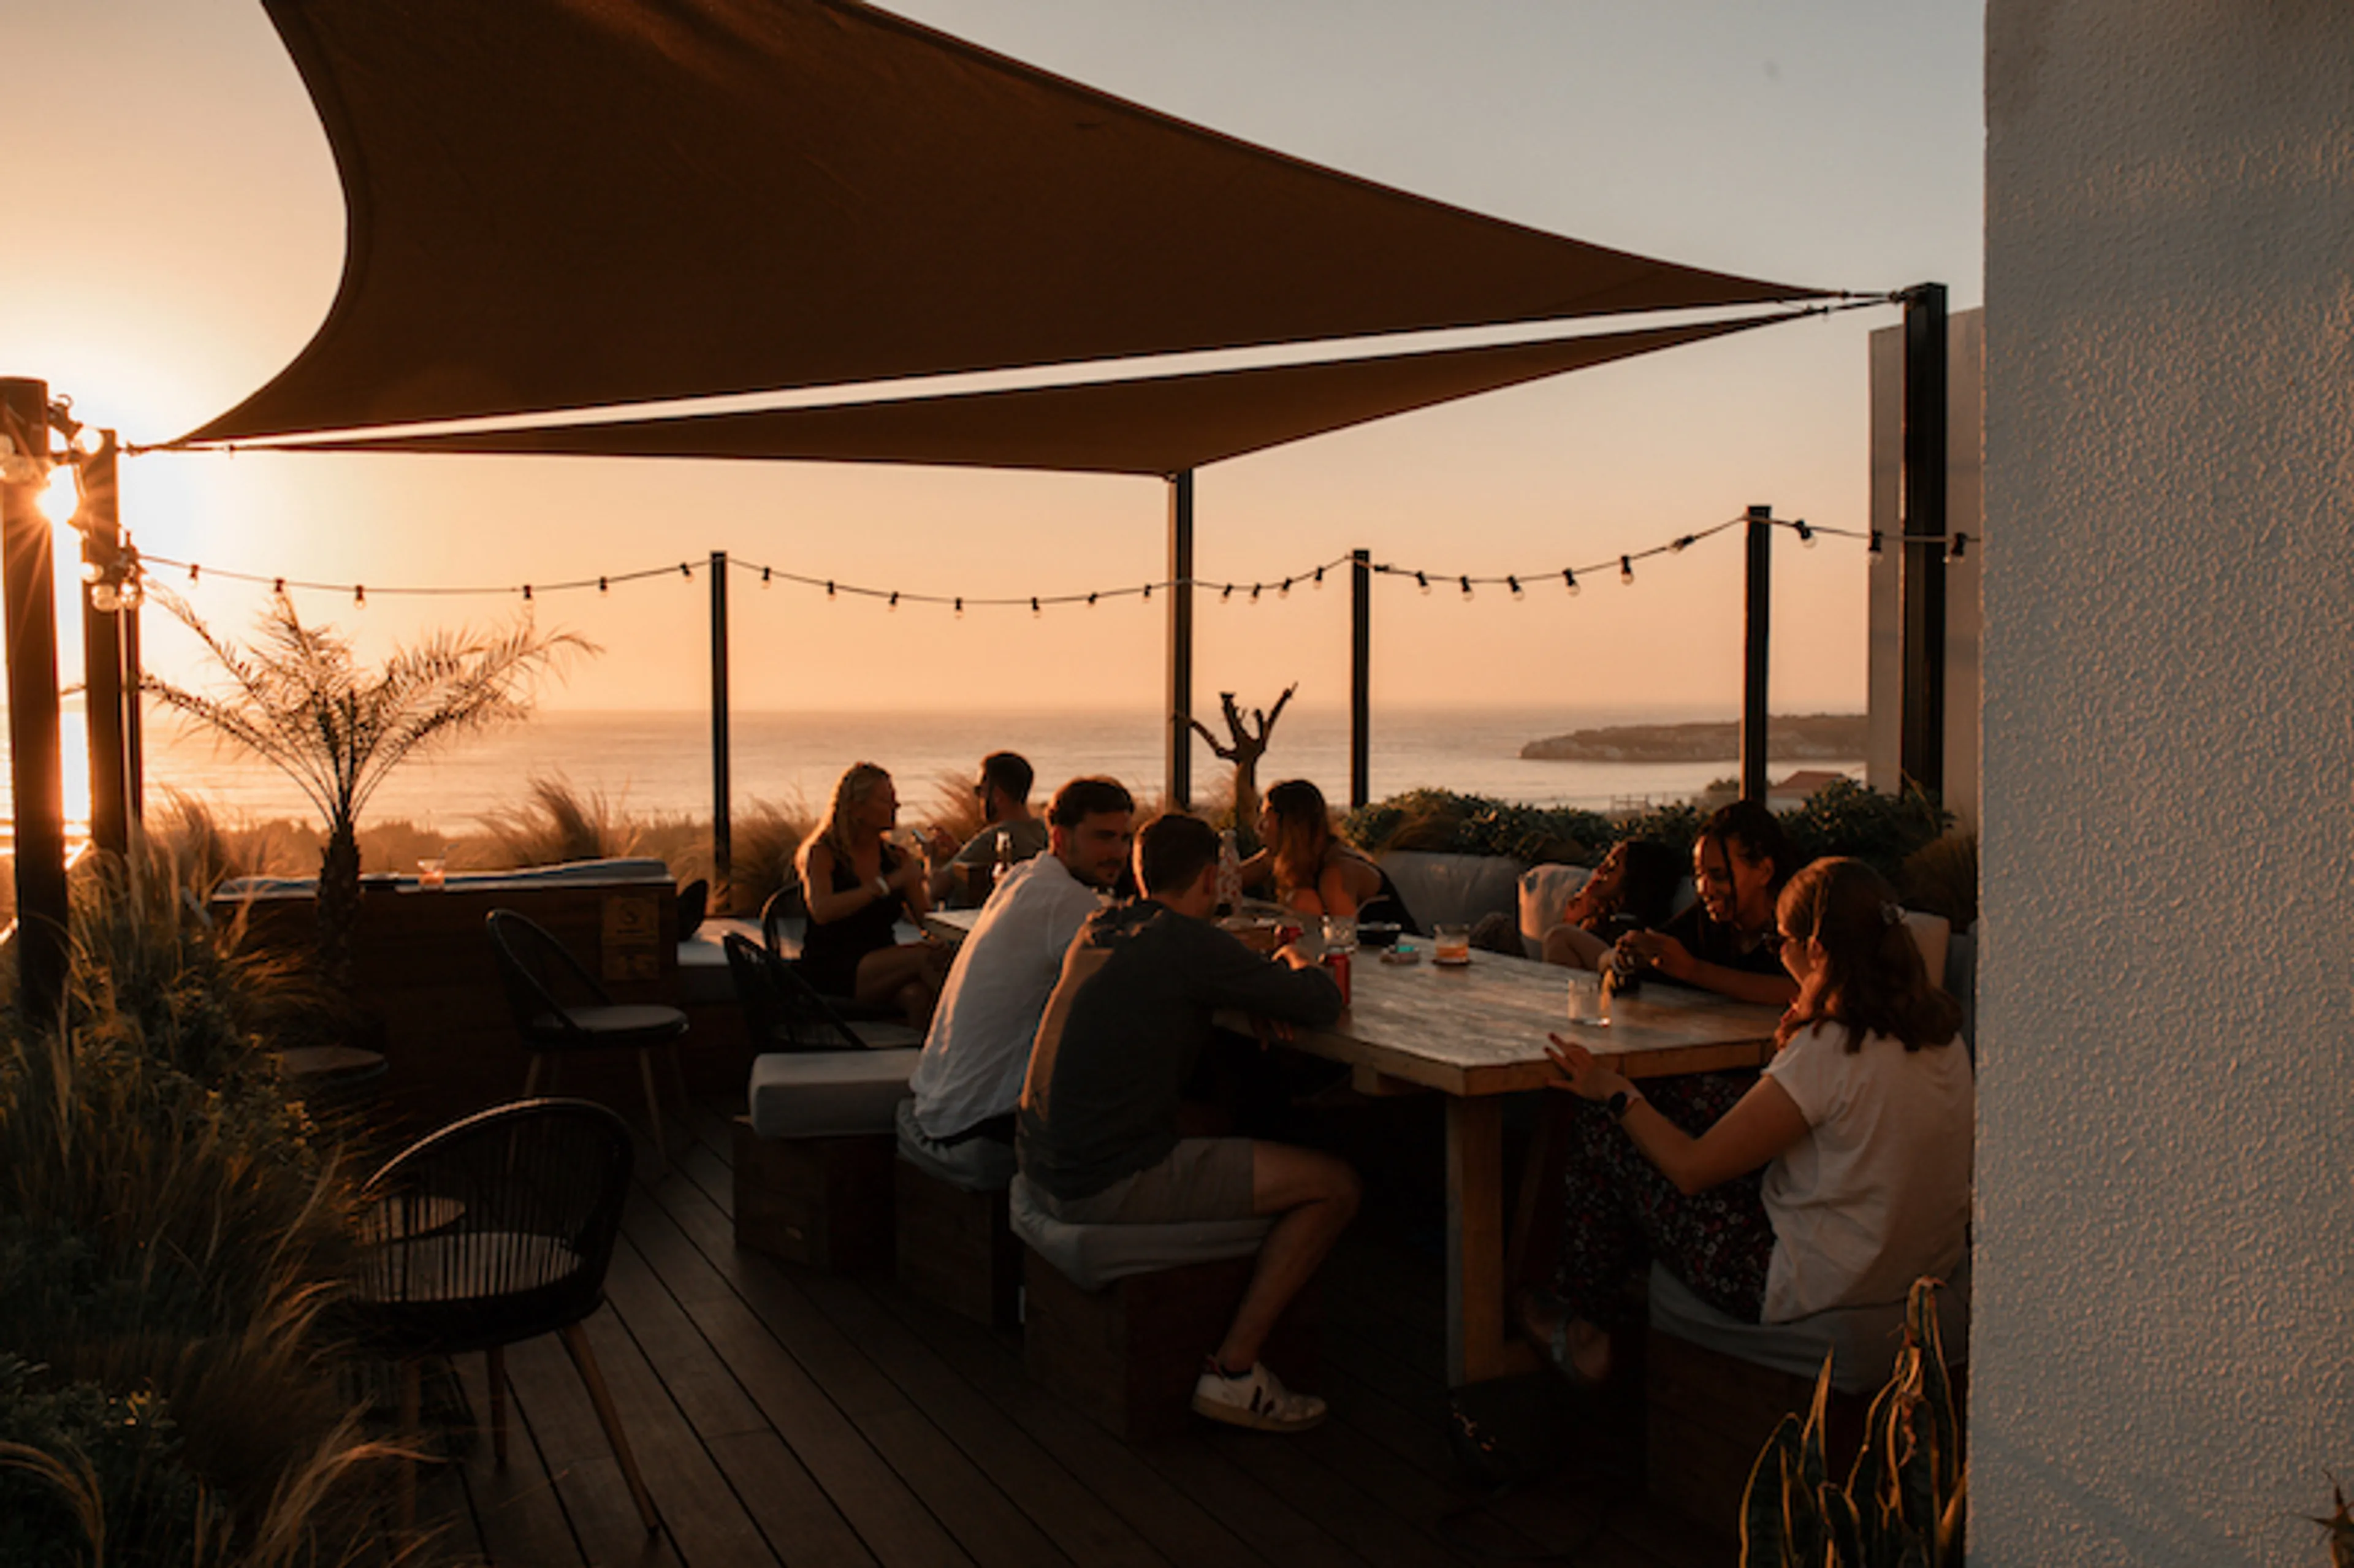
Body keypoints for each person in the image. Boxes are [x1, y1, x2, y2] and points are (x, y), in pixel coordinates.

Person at [1520, 857, 1972, 1383]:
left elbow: (1691, 1169)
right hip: (1907, 1260)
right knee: (1677, 1097)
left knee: (1608, 1123)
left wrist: (1613, 1091)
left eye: (1782, 943)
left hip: (1804, 1278)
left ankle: (1588, 1334)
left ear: (1818, 951)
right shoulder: (1941, 1037)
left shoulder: (1831, 1047)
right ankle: (1621, 1305)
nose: (1779, 956)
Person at [1018, 813, 1358, 1433]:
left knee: (1215, 1115)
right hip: (1106, 1180)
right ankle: (1235, 1370)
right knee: (1336, 1183)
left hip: (1044, 1160)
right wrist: (1294, 953)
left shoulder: (1105, 924)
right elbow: (1320, 1002)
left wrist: (1245, 991)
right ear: (1211, 877)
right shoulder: (1190, 945)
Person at [899, 777, 1137, 1188]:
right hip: (981, 1124)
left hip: (938, 1105)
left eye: (1124, 838)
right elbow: (1132, 993)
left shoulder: (1024, 878)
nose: (1119, 852)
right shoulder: (1068, 902)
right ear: (1060, 837)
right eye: (1104, 837)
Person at [796, 762, 949, 1024]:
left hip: (883, 965)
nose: (896, 807)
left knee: (918, 995)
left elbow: (927, 922)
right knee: (925, 957)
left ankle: (924, 1060)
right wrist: (887, 885)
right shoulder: (823, 852)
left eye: (895, 800)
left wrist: (933, 865)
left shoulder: (896, 858)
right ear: (857, 808)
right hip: (834, 968)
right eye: (885, 800)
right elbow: (821, 910)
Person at [1608, 800, 1800, 1007]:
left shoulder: (1796, 926)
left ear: (1765, 871)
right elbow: (1653, 950)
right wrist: (1632, 954)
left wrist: (1693, 971)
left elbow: (1802, 990)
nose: (1704, 889)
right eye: (1700, 876)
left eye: (1719, 876)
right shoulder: (1705, 920)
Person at [1244, 778, 1417, 930]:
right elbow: (1228, 881)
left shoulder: (1336, 873)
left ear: (1288, 826)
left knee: (1302, 900)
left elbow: (1344, 940)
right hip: (1357, 959)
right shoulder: (1287, 857)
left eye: (1266, 819)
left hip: (1400, 959)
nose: (1259, 828)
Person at [1541, 838, 1684, 970]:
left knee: (1559, 936)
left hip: (1628, 980)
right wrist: (1572, 920)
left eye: (1611, 868)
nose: (1599, 871)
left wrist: (1568, 928)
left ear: (1633, 882)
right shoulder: (1599, 919)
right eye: (1603, 863)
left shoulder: (1635, 929)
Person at [931, 751, 1049, 905]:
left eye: (980, 791)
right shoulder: (1044, 831)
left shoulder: (995, 838)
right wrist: (959, 853)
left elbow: (934, 890)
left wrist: (932, 858)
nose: (978, 798)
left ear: (998, 797)